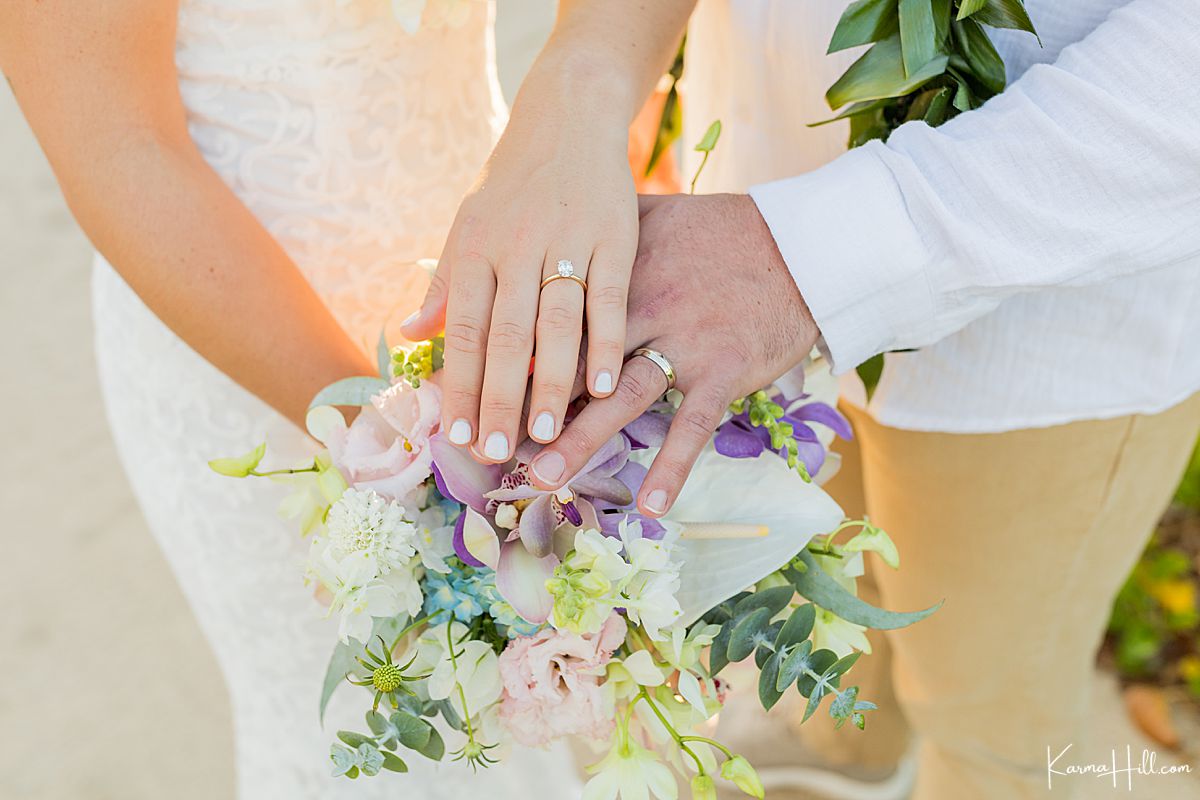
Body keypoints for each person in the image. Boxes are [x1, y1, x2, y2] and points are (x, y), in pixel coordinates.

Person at [412, 0, 1200, 797]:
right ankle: (848, 751)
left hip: (1044, 331)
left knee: (990, 717)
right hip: (737, 218)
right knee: (825, 594)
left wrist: (800, 259)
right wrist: (590, 77)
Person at [0, 1, 639, 796]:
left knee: (543, 712)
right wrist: (401, 452)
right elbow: (112, 142)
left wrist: (598, 125)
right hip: (244, 346)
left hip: (497, 270)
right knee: (368, 748)